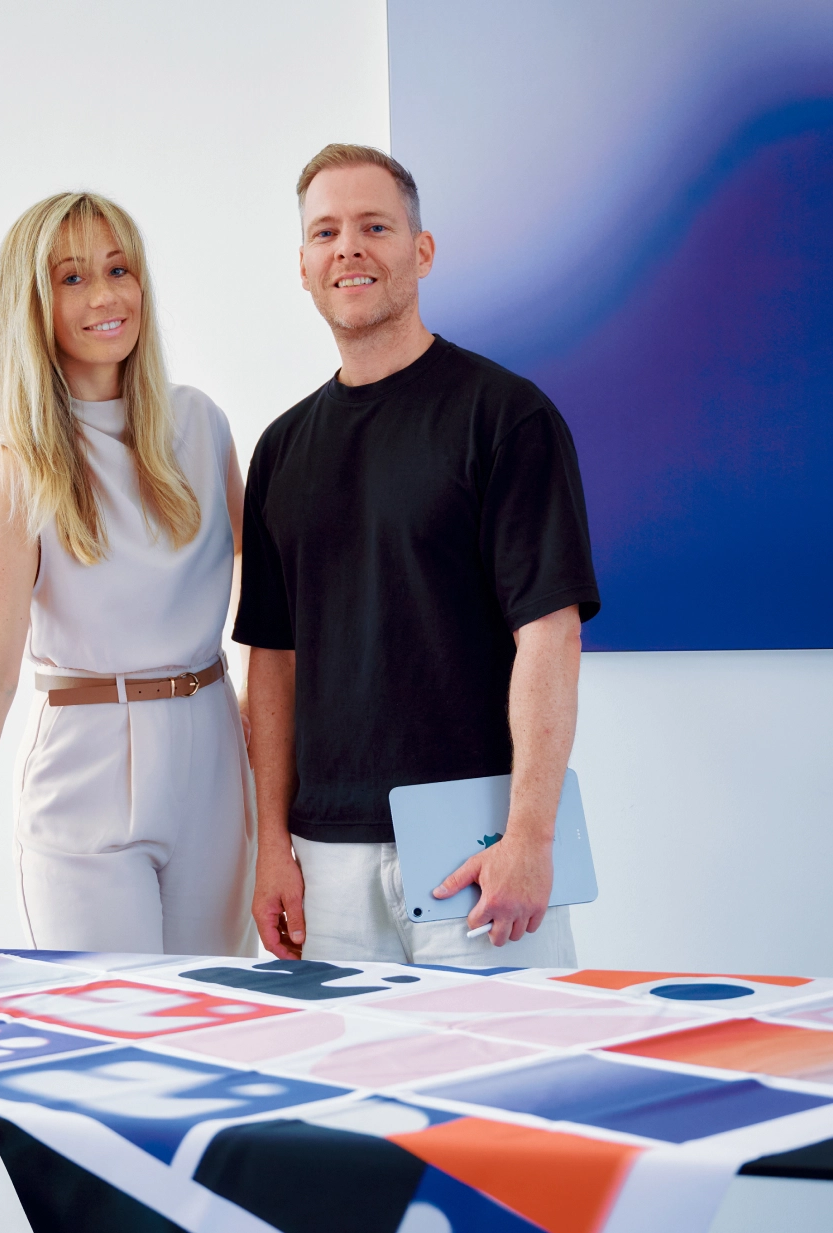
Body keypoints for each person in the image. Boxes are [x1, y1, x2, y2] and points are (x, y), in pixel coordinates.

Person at [0, 192, 255, 962]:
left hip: (209, 749)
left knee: (218, 1020)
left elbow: (258, 577)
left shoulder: (199, 424)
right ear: (32, 305)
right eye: (72, 278)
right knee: (118, 1036)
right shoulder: (17, 471)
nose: (105, 296)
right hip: (85, 766)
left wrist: (251, 706)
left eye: (118, 269)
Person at [235, 144, 600, 966]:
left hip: (474, 843)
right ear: (302, 265)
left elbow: (550, 635)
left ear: (420, 249)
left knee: (510, 1087)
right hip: (323, 856)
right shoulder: (281, 450)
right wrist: (269, 847)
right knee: (343, 1094)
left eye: (374, 226)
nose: (348, 248)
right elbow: (272, 662)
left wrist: (530, 835)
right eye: (325, 232)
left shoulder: (505, 417)